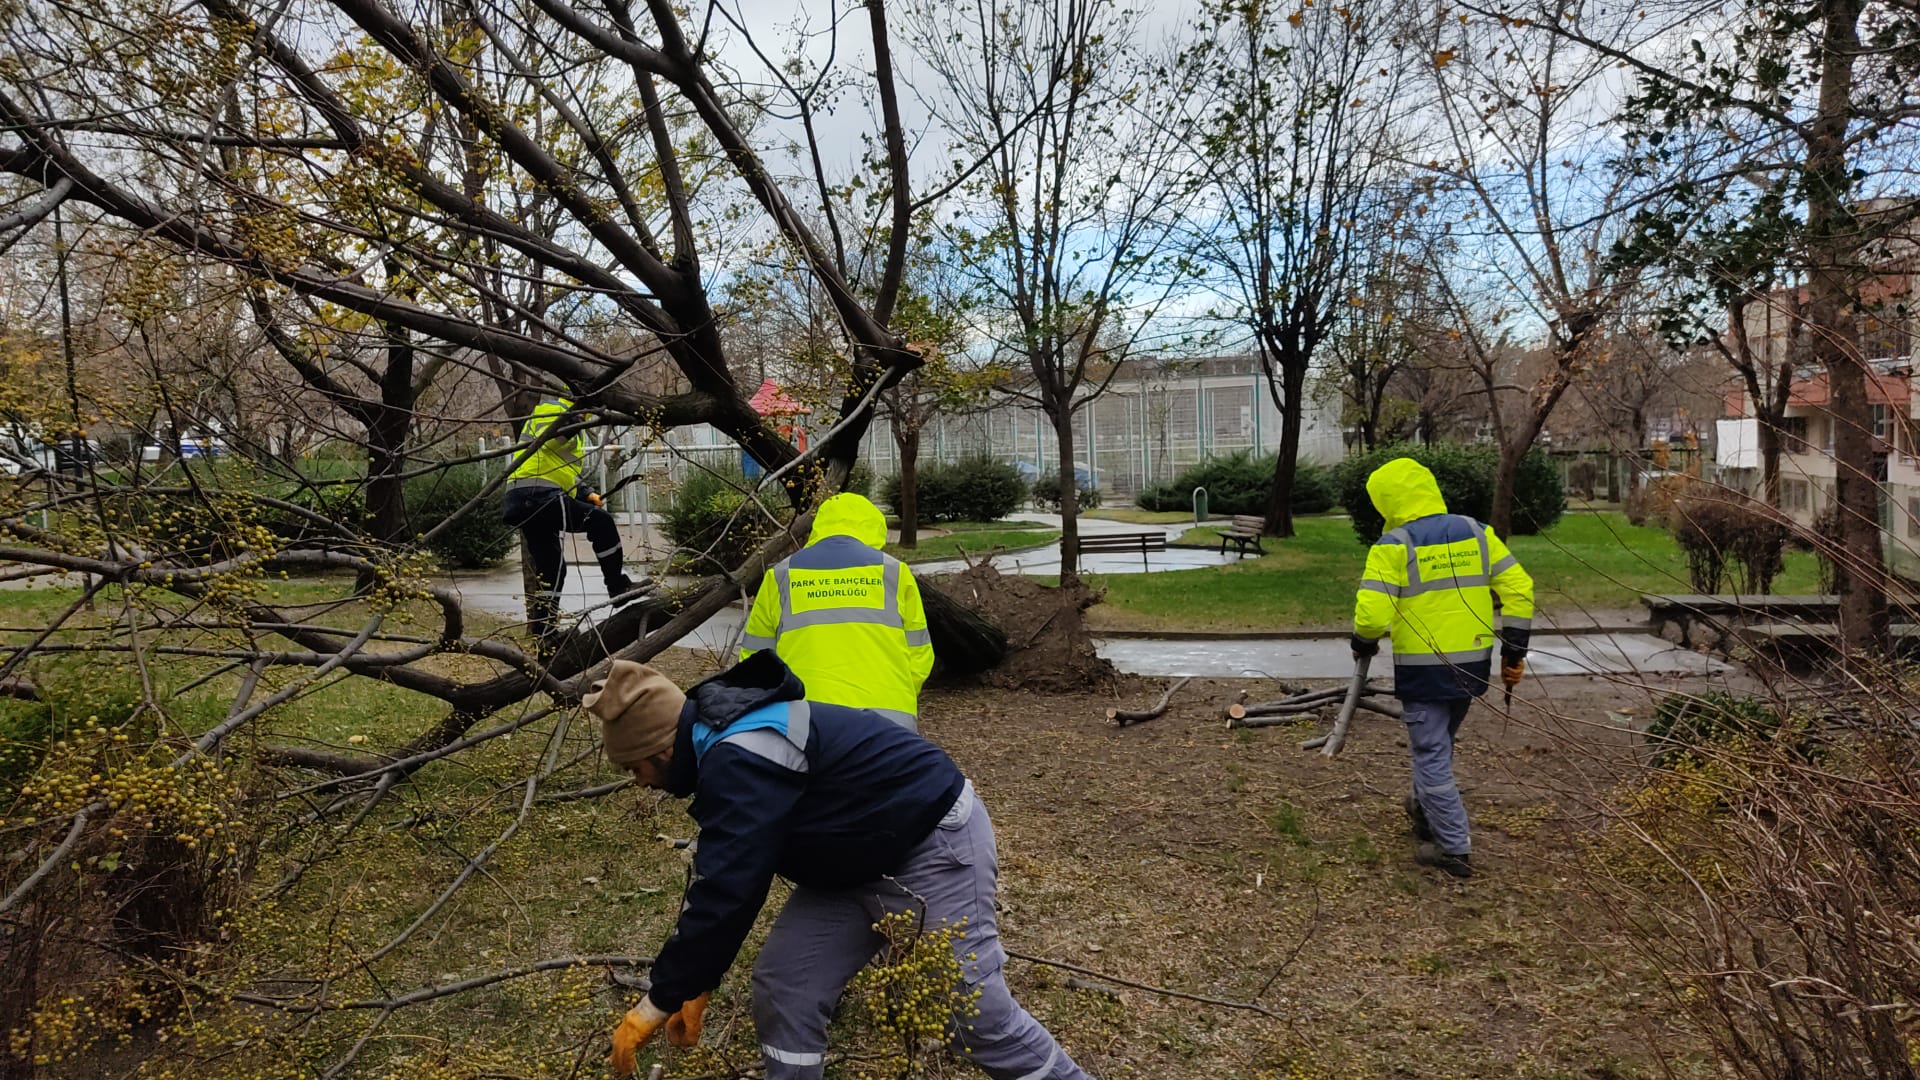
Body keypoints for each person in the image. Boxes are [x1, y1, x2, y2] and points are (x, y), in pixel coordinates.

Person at [584, 651, 1094, 1080]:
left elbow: (728, 888)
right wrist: (698, 978)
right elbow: (732, 873)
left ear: (665, 748)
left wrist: (662, 997)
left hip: (929, 843)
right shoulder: (722, 742)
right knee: (788, 986)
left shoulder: (739, 754)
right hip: (855, 859)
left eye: (637, 767)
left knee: (972, 1014)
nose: (640, 783)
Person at [1349, 458, 1535, 879]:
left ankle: (1453, 847)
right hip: (1472, 665)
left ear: (1388, 500)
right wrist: (1514, 650)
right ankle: (1423, 810)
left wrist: (1362, 640)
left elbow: (1373, 615)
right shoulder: (1478, 533)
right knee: (1441, 744)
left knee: (1431, 753)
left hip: (1422, 669)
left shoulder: (1394, 545)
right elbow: (1519, 588)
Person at [739, 492, 933, 730]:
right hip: (890, 722)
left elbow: (755, 661)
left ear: (820, 526)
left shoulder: (780, 576)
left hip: (805, 722)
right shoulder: (894, 572)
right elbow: (921, 655)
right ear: (874, 527)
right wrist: (897, 693)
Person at [499, 396, 636, 644]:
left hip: (527, 499)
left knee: (552, 568)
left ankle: (544, 636)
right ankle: (618, 586)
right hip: (537, 494)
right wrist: (574, 417)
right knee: (602, 522)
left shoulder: (576, 430)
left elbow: (561, 471)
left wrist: (586, 493)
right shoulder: (556, 409)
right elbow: (552, 436)